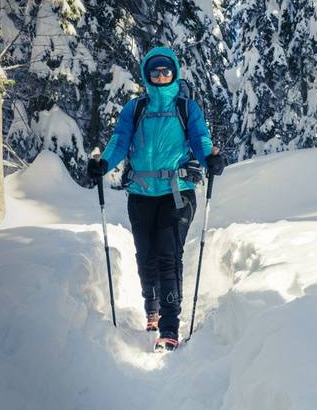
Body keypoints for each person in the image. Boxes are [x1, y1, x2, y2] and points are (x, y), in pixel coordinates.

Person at [87, 46, 225, 351]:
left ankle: (169, 327)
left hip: (178, 194)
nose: (161, 76)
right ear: (147, 75)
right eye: (155, 71)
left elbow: (201, 139)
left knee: (167, 257)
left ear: (174, 73)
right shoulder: (134, 109)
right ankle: (152, 307)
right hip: (140, 195)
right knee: (146, 257)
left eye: (166, 71)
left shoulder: (187, 108)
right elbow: (119, 141)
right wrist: (103, 164)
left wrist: (209, 159)